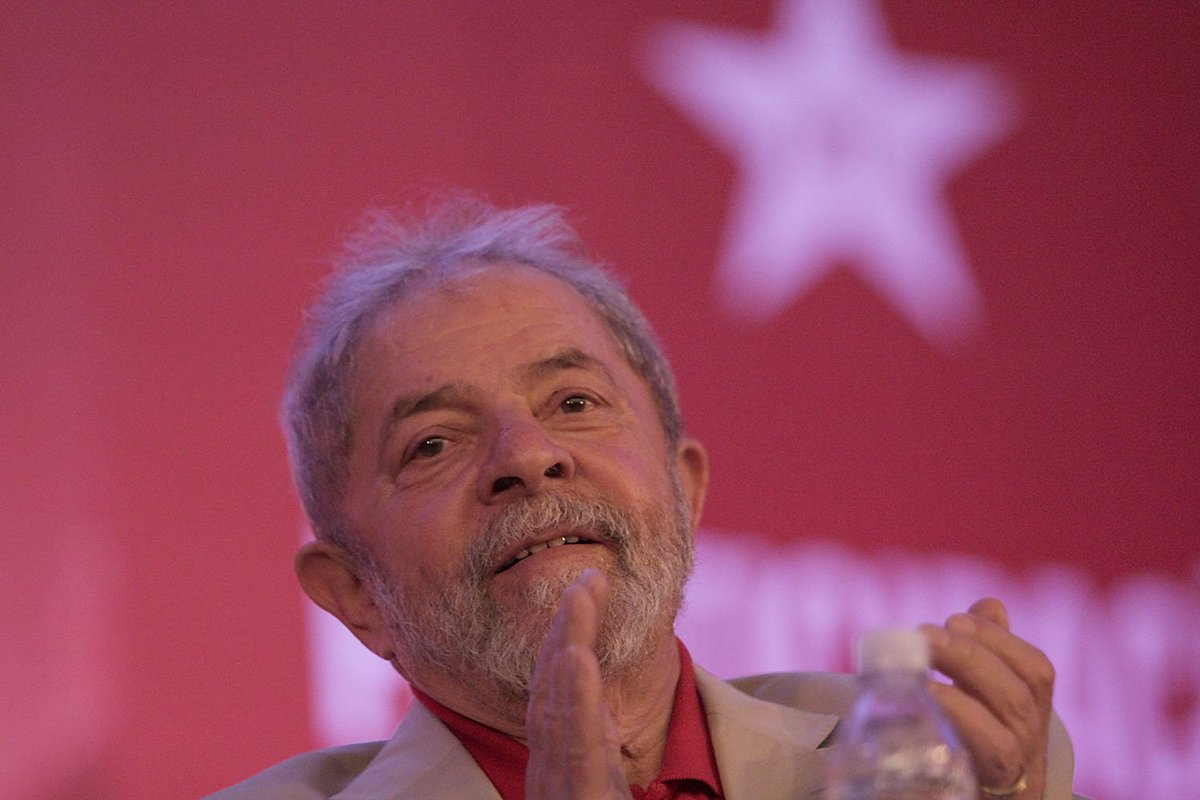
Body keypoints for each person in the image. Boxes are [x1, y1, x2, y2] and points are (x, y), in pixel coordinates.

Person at [207, 196, 1084, 800]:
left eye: (574, 403)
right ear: (355, 593)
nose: (529, 457)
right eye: (433, 443)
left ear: (685, 489)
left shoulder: (929, 760)